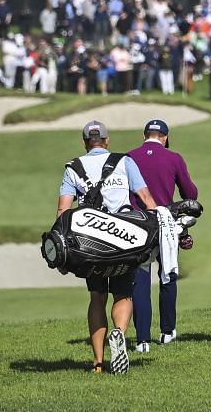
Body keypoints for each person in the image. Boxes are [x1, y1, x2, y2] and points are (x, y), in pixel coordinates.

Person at [56, 120, 157, 375]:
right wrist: (157, 229)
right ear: (107, 140)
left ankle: (98, 363)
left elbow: (63, 211)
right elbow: (146, 199)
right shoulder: (125, 162)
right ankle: (119, 333)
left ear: (84, 143)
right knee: (123, 295)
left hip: (91, 245)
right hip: (123, 240)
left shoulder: (73, 168)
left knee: (97, 298)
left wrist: (63, 252)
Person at [126, 118, 197, 352]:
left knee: (140, 280)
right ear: (165, 138)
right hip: (165, 224)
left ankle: (143, 340)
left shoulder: (128, 157)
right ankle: (167, 332)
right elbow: (190, 194)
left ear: (143, 135)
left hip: (137, 226)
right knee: (167, 276)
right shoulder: (173, 158)